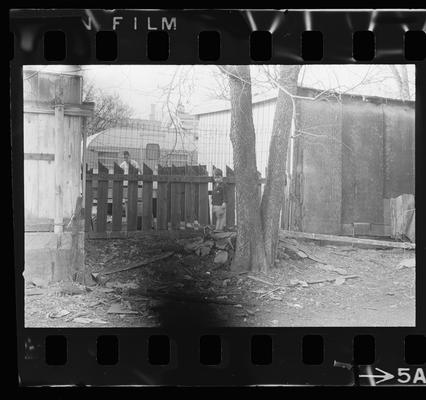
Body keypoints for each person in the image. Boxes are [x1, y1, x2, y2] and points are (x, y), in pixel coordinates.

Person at [119, 151, 140, 221]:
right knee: (126, 201)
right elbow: (119, 173)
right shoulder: (122, 165)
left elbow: (139, 172)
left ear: (129, 156)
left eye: (126, 157)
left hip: (133, 185)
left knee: (134, 200)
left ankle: (134, 217)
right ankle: (128, 218)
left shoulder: (134, 163)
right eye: (124, 158)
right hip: (125, 185)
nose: (125, 159)